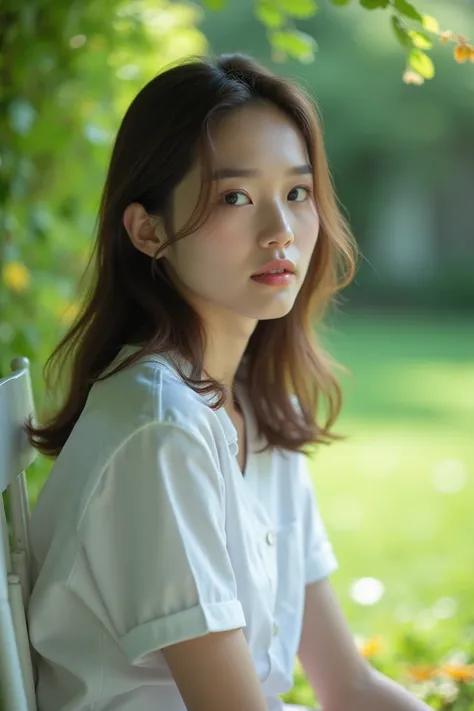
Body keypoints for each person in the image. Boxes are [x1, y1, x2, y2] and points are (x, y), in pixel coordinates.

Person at [25, 53, 432, 711]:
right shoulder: (158, 430)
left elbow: (348, 684)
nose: (281, 234)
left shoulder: (258, 406)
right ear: (147, 229)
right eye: (235, 197)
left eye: (297, 193)